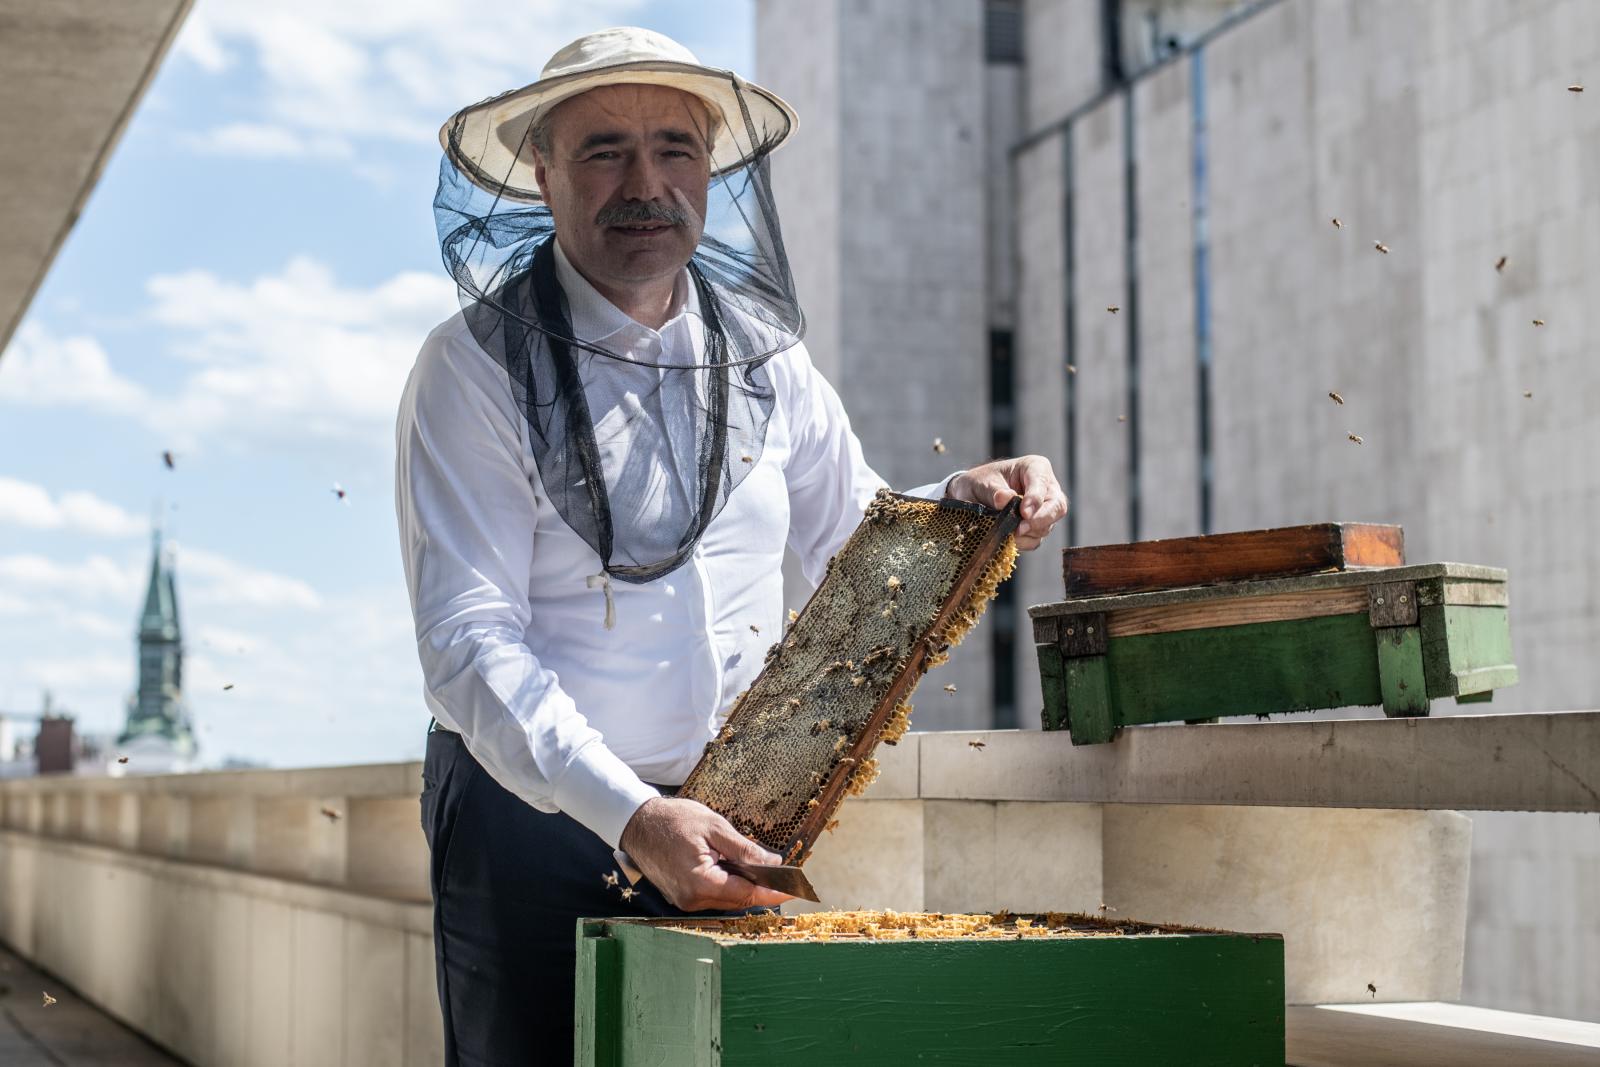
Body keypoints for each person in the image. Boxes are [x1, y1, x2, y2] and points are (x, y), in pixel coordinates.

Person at [395, 26, 1068, 1065]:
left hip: (733, 814)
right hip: (528, 820)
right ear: (540, 170)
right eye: (604, 150)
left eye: (675, 148)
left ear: (712, 168)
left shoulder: (766, 357)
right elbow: (469, 640)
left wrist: (958, 499)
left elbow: (855, 542)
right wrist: (629, 812)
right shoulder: (469, 369)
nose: (646, 184)